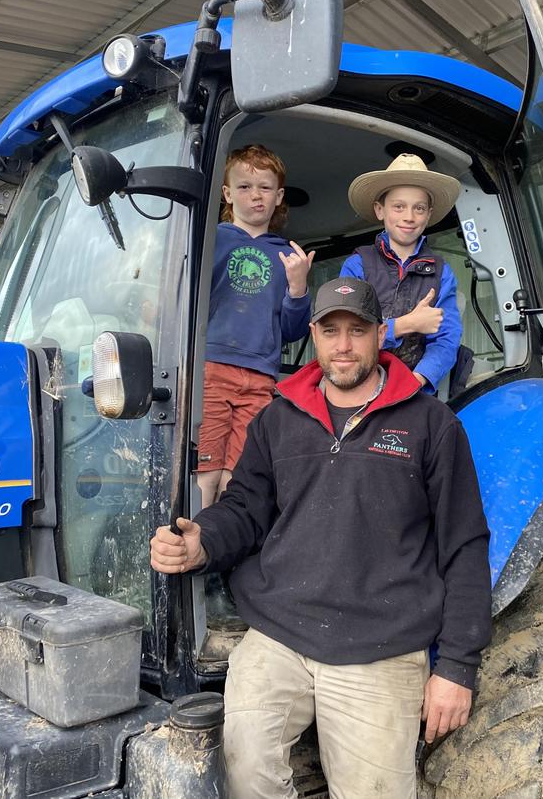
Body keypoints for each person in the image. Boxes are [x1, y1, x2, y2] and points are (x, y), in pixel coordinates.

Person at [151, 277, 492, 799]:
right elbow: (246, 509)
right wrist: (203, 543)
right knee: (241, 771)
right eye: (331, 331)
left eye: (358, 330)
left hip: (381, 645)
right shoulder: (278, 419)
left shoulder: (432, 425)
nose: (344, 345)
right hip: (279, 634)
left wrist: (458, 667)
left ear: (381, 335)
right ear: (313, 335)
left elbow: (464, 544)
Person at [197, 144, 314, 507]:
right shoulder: (208, 241)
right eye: (244, 187)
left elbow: (294, 331)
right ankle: (194, 547)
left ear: (279, 196)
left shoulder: (285, 254)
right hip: (213, 367)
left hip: (261, 375)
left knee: (239, 471)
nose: (255, 196)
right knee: (205, 470)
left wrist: (298, 286)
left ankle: (222, 545)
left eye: (264, 187)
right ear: (227, 193)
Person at [341, 152, 463, 393]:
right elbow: (348, 335)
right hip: (358, 387)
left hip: (414, 390)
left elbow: (446, 340)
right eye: (398, 207)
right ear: (380, 210)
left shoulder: (441, 273)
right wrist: (407, 324)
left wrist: (417, 380)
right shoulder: (357, 265)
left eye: (419, 208)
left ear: (428, 214)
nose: (409, 217)